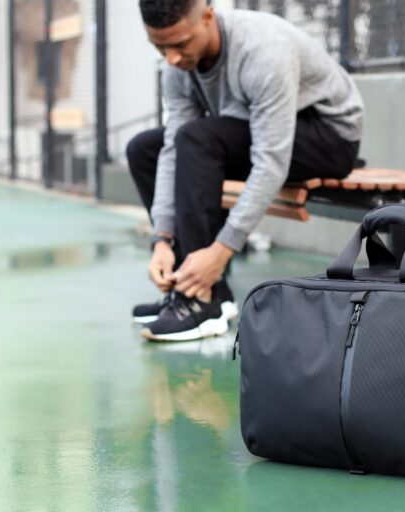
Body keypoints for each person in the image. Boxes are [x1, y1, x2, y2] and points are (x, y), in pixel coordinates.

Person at [127, 0, 364, 341]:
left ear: (207, 16)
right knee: (144, 149)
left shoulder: (263, 49)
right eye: (159, 47)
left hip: (327, 134)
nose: (172, 58)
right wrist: (162, 239)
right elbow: (170, 148)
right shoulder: (175, 65)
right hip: (257, 125)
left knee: (197, 139)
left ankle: (199, 301)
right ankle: (198, 285)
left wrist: (221, 252)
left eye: (180, 44)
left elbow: (271, 160)